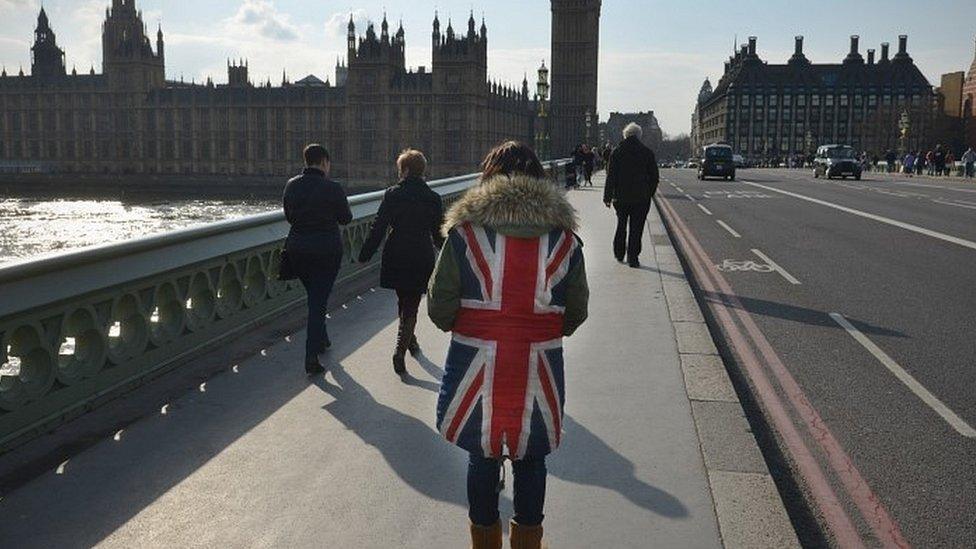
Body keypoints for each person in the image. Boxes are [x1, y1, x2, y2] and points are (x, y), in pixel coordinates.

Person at [428, 141, 589, 549]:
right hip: (538, 364)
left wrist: (463, 324)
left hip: (475, 362)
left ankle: (484, 542)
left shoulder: (464, 236)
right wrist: (549, 330)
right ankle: (527, 543)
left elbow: (439, 306)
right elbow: (577, 309)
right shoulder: (565, 241)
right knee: (531, 457)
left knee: (482, 454)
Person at [358, 149, 444, 375]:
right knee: (412, 301)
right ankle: (405, 345)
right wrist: (448, 256)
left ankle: (403, 346)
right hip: (421, 252)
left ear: (405, 170)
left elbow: (379, 226)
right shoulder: (433, 198)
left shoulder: (392, 194)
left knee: (403, 298)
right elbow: (438, 234)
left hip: (396, 251)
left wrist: (365, 254)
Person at [282, 144, 352, 374]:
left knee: (315, 297)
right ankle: (311, 357)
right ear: (324, 162)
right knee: (317, 303)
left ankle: (322, 339)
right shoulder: (332, 188)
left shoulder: (291, 185)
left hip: (297, 251)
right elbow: (345, 218)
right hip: (326, 251)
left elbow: (289, 216)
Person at [604, 122, 660, 268]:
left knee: (621, 224)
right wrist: (649, 193)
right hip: (641, 198)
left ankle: (619, 253)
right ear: (639, 136)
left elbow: (611, 176)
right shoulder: (647, 152)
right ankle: (633, 258)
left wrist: (607, 197)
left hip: (621, 197)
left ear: (625, 135)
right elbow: (654, 177)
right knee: (637, 228)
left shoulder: (616, 152)